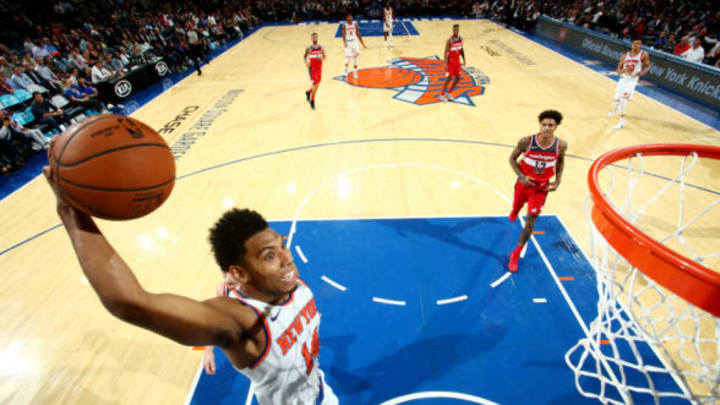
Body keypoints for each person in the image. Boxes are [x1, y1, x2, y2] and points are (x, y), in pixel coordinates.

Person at [43, 160, 338, 404]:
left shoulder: (289, 283)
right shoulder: (238, 321)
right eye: (269, 255)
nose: (286, 258)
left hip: (323, 394)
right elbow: (130, 302)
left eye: (282, 245)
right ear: (239, 273)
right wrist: (71, 213)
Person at [507, 110, 567, 272]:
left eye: (551, 125)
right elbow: (512, 159)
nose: (547, 128)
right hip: (524, 184)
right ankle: (515, 209)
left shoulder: (560, 145)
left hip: (541, 188)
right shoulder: (526, 141)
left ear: (556, 127)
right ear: (540, 125)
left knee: (531, 220)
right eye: (544, 124)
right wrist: (521, 176)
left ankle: (516, 253)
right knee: (516, 206)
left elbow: (560, 163)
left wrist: (558, 181)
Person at [202, 271, 242, 375]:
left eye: (228, 274)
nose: (226, 279)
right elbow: (216, 321)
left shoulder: (253, 286)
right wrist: (208, 351)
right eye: (223, 274)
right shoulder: (223, 290)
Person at [608, 38, 650, 130]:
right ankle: (614, 109)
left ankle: (622, 122)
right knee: (616, 99)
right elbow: (618, 70)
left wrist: (642, 72)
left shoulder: (643, 54)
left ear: (640, 45)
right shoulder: (625, 56)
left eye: (638, 43)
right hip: (624, 78)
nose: (636, 45)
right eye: (635, 43)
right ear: (632, 44)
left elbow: (648, 66)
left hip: (632, 80)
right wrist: (624, 70)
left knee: (623, 99)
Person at [440, 24, 465, 102]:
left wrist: (464, 59)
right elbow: (445, 51)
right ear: (452, 30)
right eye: (454, 30)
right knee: (449, 78)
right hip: (451, 60)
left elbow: (461, 49)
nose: (456, 31)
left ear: (458, 30)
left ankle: (449, 93)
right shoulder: (449, 40)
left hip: (457, 60)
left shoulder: (461, 38)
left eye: (457, 30)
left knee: (458, 78)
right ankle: (441, 94)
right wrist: (445, 63)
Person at [304, 33, 326, 110]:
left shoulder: (321, 47)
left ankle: (308, 92)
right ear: (311, 39)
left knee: (317, 84)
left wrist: (322, 59)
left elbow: (325, 57)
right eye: (313, 38)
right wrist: (306, 63)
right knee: (315, 84)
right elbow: (304, 56)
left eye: (316, 37)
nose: (314, 39)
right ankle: (312, 100)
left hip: (319, 68)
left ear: (317, 38)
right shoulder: (309, 48)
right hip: (312, 68)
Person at [342, 14, 366, 79]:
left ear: (352, 17)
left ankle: (355, 72)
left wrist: (363, 43)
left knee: (355, 58)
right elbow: (343, 35)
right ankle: (345, 71)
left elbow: (358, 33)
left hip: (354, 42)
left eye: (350, 17)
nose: (349, 18)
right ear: (346, 18)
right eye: (348, 17)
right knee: (348, 59)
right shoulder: (344, 25)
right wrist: (344, 43)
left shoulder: (355, 24)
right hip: (348, 42)